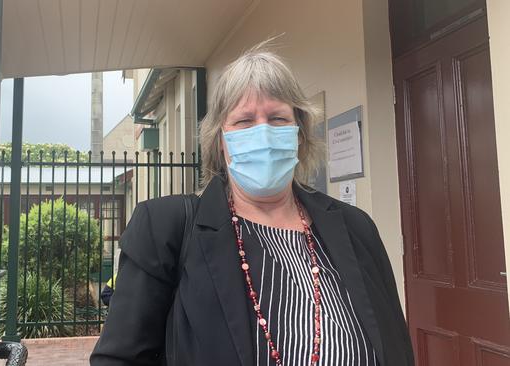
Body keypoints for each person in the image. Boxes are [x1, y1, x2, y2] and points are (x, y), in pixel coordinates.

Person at [90, 42, 414, 366]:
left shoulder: (356, 227)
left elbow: (394, 343)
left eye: (278, 118)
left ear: (299, 134)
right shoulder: (164, 228)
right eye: (244, 121)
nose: (264, 132)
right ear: (221, 140)